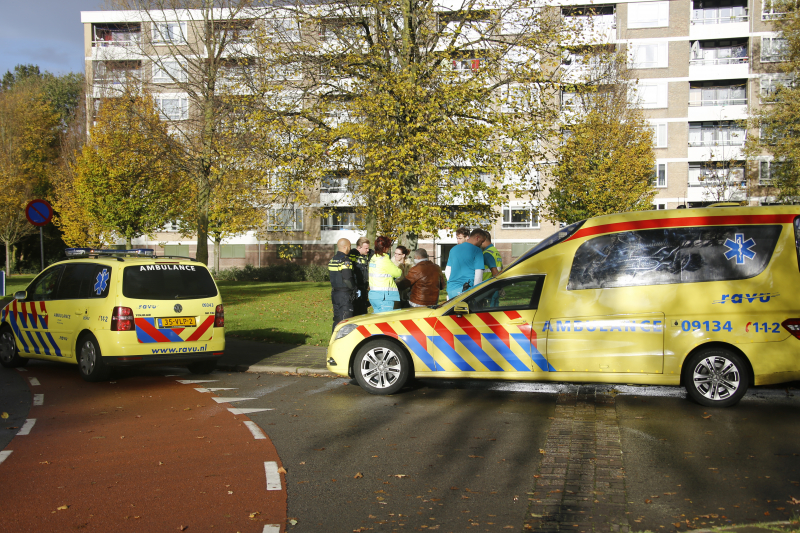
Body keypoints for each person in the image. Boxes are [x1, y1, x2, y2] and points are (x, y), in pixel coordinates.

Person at [445, 228, 486, 299]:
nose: (481, 244)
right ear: (477, 238)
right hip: (466, 290)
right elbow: (478, 275)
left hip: (451, 289)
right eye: (482, 241)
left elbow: (447, 271)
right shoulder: (477, 251)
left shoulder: (453, 249)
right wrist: (476, 293)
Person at [368, 236, 403, 313]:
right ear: (385, 247)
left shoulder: (374, 258)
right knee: (385, 322)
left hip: (374, 295)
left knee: (377, 321)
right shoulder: (384, 259)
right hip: (384, 297)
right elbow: (398, 273)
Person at [328, 238, 356, 332]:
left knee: (337, 320)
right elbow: (347, 278)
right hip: (344, 295)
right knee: (346, 321)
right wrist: (354, 289)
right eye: (349, 246)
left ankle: (333, 341)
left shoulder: (333, 259)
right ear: (345, 247)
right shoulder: (345, 260)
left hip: (335, 293)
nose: (350, 249)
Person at [349, 237, 372, 316]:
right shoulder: (351, 254)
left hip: (363, 289)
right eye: (366, 248)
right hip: (355, 289)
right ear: (359, 247)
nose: (368, 250)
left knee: (363, 313)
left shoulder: (366, 255)